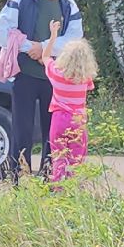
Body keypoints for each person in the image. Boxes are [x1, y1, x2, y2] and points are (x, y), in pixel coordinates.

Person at [0, 0, 83, 181]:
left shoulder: (68, 5)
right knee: (21, 130)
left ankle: (48, 178)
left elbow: (74, 38)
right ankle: (16, 177)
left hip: (54, 79)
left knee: (51, 132)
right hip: (24, 75)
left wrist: (43, 48)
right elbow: (3, 32)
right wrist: (29, 47)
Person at [42, 20, 97, 188]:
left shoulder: (56, 74)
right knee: (77, 160)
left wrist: (53, 36)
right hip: (78, 121)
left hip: (59, 119)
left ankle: (58, 190)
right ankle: (75, 191)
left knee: (59, 158)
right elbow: (90, 86)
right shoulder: (85, 79)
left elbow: (45, 56)